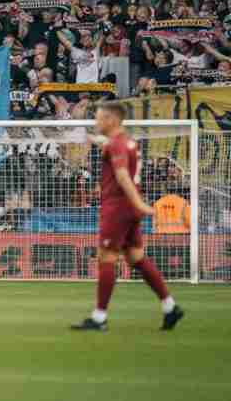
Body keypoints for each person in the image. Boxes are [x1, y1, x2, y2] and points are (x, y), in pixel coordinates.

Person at [71, 102, 184, 332]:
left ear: (112, 119)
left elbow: (122, 177)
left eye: (100, 117)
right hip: (128, 209)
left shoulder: (116, 144)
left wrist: (140, 204)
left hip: (118, 207)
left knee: (106, 257)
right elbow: (117, 155)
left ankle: (99, 317)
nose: (96, 121)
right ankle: (170, 307)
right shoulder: (127, 142)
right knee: (135, 258)